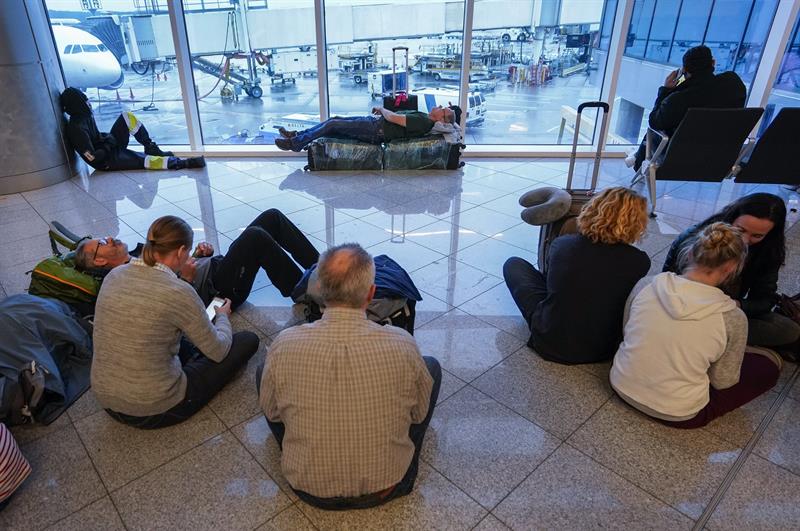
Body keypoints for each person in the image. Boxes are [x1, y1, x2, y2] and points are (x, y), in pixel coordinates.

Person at [257, 243, 440, 509]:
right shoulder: (402, 343)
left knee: (265, 371)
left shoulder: (284, 343)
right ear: (371, 294)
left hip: (307, 488)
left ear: (318, 291)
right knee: (430, 367)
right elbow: (418, 414)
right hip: (387, 485)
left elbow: (273, 414)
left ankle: (304, 451)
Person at [92, 216, 259, 429]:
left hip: (107, 400)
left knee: (172, 341)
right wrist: (224, 316)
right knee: (246, 340)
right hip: (155, 408)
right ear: (180, 252)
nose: (190, 257)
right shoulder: (178, 291)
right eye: (188, 252)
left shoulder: (114, 275)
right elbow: (218, 351)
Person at [611, 222, 781, 429]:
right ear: (730, 268)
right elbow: (722, 381)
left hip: (620, 385)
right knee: (768, 367)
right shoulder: (732, 317)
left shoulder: (647, 284)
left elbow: (627, 330)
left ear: (690, 253)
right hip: (680, 414)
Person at [504, 187, 651, 364]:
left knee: (514, 264)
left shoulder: (563, 245)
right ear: (637, 223)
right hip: (604, 350)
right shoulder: (640, 261)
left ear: (593, 209)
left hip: (548, 340)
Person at [75, 208, 319, 308]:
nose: (109, 237)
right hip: (219, 291)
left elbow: (170, 266)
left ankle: (323, 269)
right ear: (99, 261)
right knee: (255, 237)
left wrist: (196, 255)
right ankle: (304, 290)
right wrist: (187, 279)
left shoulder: (137, 256)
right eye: (102, 243)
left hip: (214, 267)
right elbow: (174, 300)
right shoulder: (128, 278)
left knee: (272, 218)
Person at [662, 193, 799, 359]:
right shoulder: (698, 238)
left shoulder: (768, 251)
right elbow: (669, 285)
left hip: (725, 309)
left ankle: (716, 339)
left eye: (757, 236)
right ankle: (723, 342)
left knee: (788, 329)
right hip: (690, 308)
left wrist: (737, 305)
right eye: (740, 230)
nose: (745, 241)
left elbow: (765, 299)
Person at [626, 45, 746, 171]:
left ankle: (637, 158)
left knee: (654, 132)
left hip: (678, 159)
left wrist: (666, 90)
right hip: (720, 159)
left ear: (684, 70)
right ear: (713, 63)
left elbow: (655, 122)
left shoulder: (679, 99)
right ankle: (635, 155)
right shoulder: (734, 85)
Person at [60, 87, 206, 171]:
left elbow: (97, 138)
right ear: (78, 104)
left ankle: (150, 147)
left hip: (108, 147)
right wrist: (108, 144)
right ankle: (183, 163)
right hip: (105, 160)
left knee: (127, 116)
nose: (88, 102)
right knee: (143, 161)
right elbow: (92, 157)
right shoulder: (76, 129)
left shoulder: (84, 116)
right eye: (85, 100)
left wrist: (108, 139)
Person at [273, 105, 456, 152]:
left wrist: (382, 109)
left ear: (442, 118)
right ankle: (296, 136)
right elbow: (394, 117)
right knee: (333, 120)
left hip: (376, 130)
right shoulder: (424, 117)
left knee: (332, 125)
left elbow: (392, 117)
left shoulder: (424, 122)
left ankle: (295, 143)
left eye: (443, 109)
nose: (439, 107)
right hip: (375, 124)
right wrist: (381, 111)